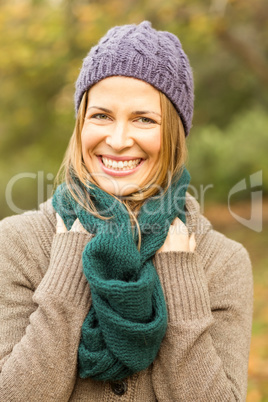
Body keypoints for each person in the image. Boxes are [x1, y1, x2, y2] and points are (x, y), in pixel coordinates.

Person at [0, 21, 253, 401]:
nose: (118, 140)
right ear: (80, 124)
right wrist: (69, 268)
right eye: (101, 115)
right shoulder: (17, 243)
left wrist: (179, 279)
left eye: (144, 119)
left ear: (174, 135)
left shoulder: (222, 262)